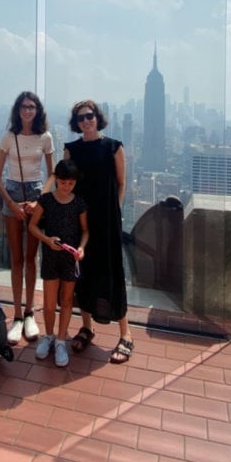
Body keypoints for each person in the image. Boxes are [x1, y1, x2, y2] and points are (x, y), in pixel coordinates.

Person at [59, 99, 134, 364]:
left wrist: (116, 212)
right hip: (80, 220)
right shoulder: (71, 150)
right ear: (76, 123)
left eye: (89, 116)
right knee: (84, 272)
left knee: (112, 271)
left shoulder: (114, 147)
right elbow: (63, 182)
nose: (86, 121)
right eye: (80, 118)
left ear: (97, 117)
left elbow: (121, 183)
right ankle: (87, 326)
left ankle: (126, 334)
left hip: (107, 221)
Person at [0, 91, 54, 344]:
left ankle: (30, 312)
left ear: (38, 110)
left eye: (32, 107)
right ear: (18, 110)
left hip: (36, 194)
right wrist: (11, 204)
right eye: (24, 107)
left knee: (32, 258)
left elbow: (52, 174)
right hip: (13, 193)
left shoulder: (45, 137)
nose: (28, 111)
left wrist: (39, 200)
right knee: (16, 258)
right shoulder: (9, 136)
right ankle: (17, 315)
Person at [28, 159, 88, 367]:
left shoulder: (79, 202)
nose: (67, 186)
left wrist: (81, 248)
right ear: (56, 181)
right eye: (63, 182)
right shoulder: (46, 200)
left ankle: (61, 340)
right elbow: (33, 226)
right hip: (51, 256)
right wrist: (46, 240)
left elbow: (86, 230)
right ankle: (49, 336)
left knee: (68, 300)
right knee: (49, 301)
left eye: (71, 183)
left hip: (70, 259)